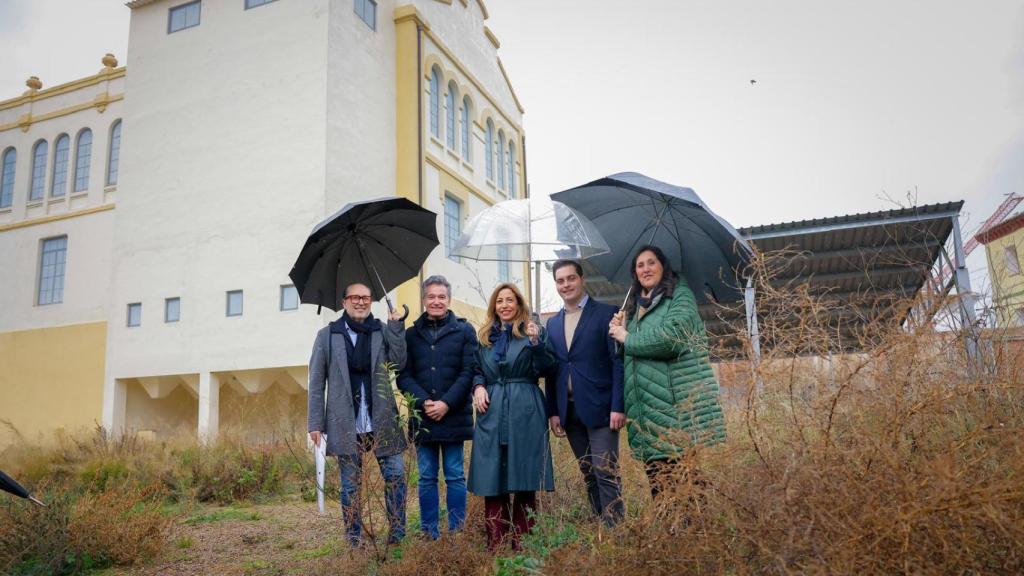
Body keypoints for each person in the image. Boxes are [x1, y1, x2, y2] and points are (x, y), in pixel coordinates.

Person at [608, 245, 725, 499]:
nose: (646, 269)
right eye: (640, 265)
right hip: (649, 416)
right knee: (661, 493)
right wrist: (622, 332)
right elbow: (635, 354)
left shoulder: (680, 297)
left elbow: (672, 339)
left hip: (676, 411)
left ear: (663, 266)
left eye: (651, 262)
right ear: (635, 273)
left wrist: (627, 337)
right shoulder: (638, 308)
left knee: (687, 492)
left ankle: (693, 527)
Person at [307, 283, 408, 547]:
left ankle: (398, 535)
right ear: (344, 302)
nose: (361, 302)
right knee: (351, 485)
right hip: (344, 421)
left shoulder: (382, 330)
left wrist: (396, 327)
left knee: (396, 476)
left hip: (382, 418)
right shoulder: (327, 335)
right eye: (355, 297)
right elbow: (316, 382)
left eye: (365, 297)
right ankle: (354, 538)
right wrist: (315, 423)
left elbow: (399, 363)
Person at [468, 282, 556, 551]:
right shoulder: (485, 337)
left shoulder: (533, 331)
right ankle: (496, 544)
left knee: (524, 475)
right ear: (494, 306)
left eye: (509, 300)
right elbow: (475, 369)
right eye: (499, 301)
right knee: (491, 475)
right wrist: (478, 386)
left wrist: (536, 343)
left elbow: (548, 368)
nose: (504, 305)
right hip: (492, 409)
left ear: (518, 304)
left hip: (525, 408)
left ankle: (523, 544)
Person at [544, 260, 625, 526]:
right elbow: (552, 371)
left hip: (601, 408)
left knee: (606, 471)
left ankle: (617, 531)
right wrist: (554, 412)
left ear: (582, 279)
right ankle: (601, 525)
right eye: (560, 281)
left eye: (571, 278)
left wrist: (618, 406)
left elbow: (617, 363)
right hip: (569, 412)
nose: (566, 285)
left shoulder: (606, 314)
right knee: (588, 472)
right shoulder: (552, 324)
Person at [397, 275, 478, 539]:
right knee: (426, 477)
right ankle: (429, 533)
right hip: (424, 418)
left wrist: (446, 403)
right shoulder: (411, 335)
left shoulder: (465, 331)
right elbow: (403, 376)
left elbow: (469, 371)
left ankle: (456, 532)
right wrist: (423, 402)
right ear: (423, 300)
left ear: (449, 300)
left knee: (455, 475)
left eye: (441, 296)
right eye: (431, 296)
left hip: (454, 416)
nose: (436, 301)